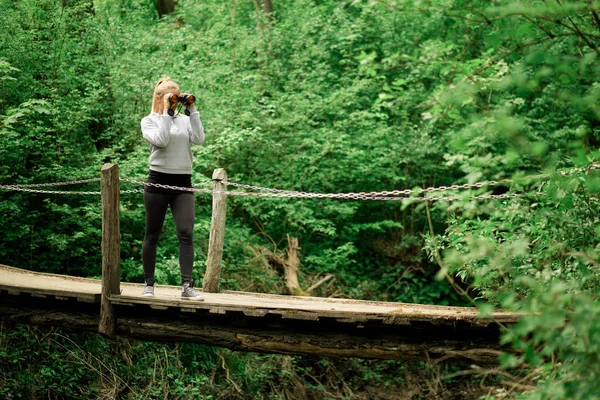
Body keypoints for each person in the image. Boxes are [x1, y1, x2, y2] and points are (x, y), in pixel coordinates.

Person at [140, 77, 205, 299]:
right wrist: (166, 115)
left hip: (182, 183)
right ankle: (149, 284)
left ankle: (187, 286)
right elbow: (161, 140)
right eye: (172, 98)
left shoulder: (184, 120)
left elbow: (199, 139)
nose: (176, 102)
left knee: (186, 233)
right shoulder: (148, 121)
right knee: (152, 234)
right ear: (159, 98)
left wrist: (192, 110)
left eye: (178, 97)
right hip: (157, 181)